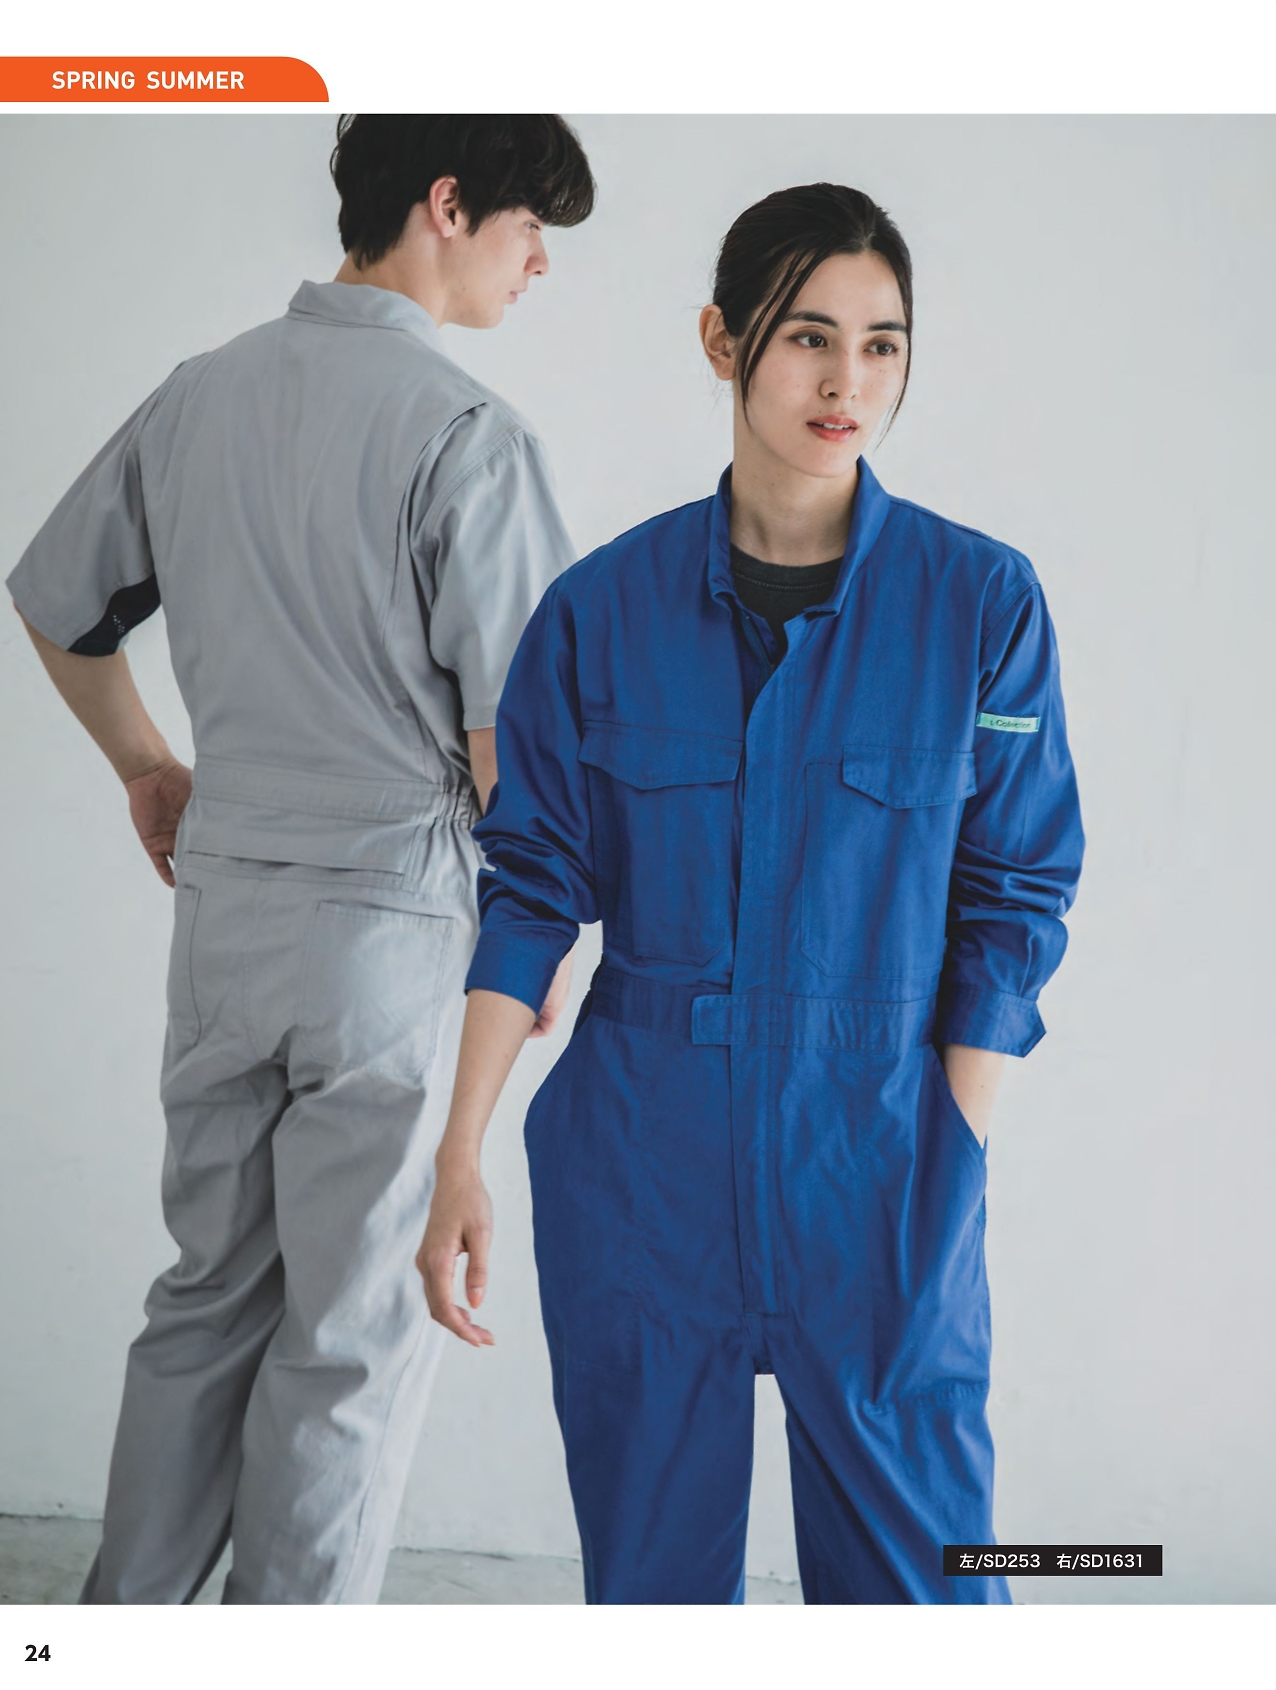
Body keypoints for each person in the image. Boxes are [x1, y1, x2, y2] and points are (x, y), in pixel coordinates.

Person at [417, 183, 1084, 1604]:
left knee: (929, 1594)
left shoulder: (981, 604)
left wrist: (949, 1156)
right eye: (808, 338)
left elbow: (1016, 896)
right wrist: (460, 1149)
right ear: (724, 341)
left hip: (882, 1164)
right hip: (645, 1170)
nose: (850, 383)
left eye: (884, 345)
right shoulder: (600, 612)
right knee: (654, 1593)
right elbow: (530, 890)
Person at [5, 114, 594, 1604]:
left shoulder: (198, 396)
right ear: (448, 206)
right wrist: (542, 947)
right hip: (391, 938)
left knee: (202, 1303)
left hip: (222, 921)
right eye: (531, 229)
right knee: (348, 1340)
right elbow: (513, 754)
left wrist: (150, 767)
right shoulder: (471, 438)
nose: (538, 266)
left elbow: (58, 602)